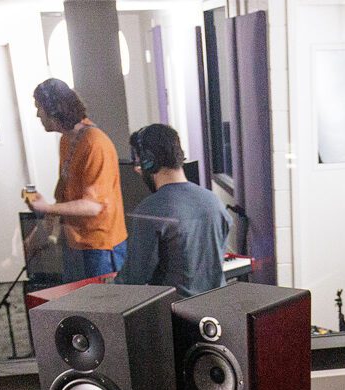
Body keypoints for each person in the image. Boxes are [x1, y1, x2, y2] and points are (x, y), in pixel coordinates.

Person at [25, 78, 128, 283]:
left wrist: (46, 208)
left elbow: (93, 207)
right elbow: (67, 195)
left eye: (39, 108)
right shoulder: (66, 140)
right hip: (76, 241)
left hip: (101, 246)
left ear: (54, 111)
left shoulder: (95, 144)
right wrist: (41, 228)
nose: (37, 114)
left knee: (102, 311)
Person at [114, 124, 230, 297]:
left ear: (148, 161)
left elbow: (133, 278)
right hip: (214, 312)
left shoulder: (150, 210)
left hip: (175, 316)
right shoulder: (213, 201)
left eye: (139, 161)